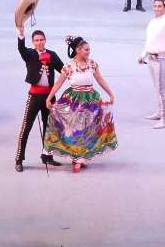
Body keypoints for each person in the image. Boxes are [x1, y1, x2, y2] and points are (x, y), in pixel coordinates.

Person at [43, 36, 118, 173]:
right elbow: (59, 83)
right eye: (86, 50)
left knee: (87, 130)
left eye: (89, 50)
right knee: (74, 130)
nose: (88, 52)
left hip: (90, 100)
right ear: (78, 50)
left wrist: (110, 93)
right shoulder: (69, 66)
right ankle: (76, 158)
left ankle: (80, 157)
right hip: (73, 100)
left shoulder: (92, 64)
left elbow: (100, 80)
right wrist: (49, 97)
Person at [14, 26, 65, 172]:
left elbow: (63, 70)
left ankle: (47, 155)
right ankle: (19, 158)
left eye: (42, 40)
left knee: (50, 128)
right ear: (33, 42)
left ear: (45, 40)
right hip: (34, 96)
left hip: (49, 97)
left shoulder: (52, 55)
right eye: (36, 40)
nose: (39, 42)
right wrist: (21, 35)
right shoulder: (29, 54)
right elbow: (21, 49)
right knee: (26, 127)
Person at [139, 0, 165, 129]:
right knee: (157, 87)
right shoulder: (153, 22)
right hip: (152, 58)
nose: (157, 8)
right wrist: (143, 55)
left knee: (162, 89)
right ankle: (159, 112)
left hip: (162, 59)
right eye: (155, 6)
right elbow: (150, 40)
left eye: (160, 6)